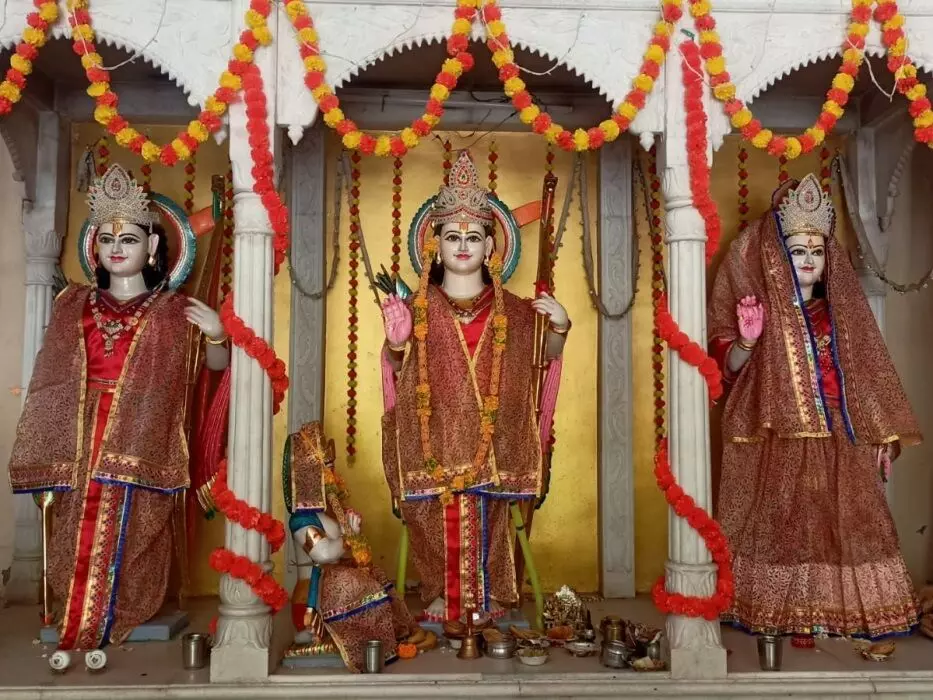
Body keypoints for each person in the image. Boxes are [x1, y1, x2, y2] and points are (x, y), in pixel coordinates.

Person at [7, 164, 228, 669]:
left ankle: (123, 610)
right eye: (107, 238)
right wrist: (50, 438)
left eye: (129, 238)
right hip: (80, 435)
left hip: (144, 435)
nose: (117, 247)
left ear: (153, 247)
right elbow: (52, 373)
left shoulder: (173, 310)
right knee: (72, 529)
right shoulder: (73, 303)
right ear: (95, 247)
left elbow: (211, 371)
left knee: (139, 532)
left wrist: (217, 334)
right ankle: (76, 613)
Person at [709, 173, 921, 641]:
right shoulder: (763, 311)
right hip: (780, 438)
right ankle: (781, 611)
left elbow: (867, 375)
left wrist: (882, 436)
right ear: (778, 256)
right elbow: (730, 371)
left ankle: (838, 612)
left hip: (841, 436)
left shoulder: (840, 313)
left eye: (817, 251)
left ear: (828, 262)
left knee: (843, 525)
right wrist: (747, 340)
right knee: (784, 524)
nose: (808, 259)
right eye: (797, 251)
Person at [380, 150, 568, 622]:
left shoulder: (518, 313)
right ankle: (443, 594)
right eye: (451, 236)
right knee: (430, 508)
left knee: (492, 507)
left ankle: (490, 596)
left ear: (490, 248)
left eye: (473, 237)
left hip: (496, 446)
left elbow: (540, 362)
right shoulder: (417, 308)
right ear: (435, 246)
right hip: (432, 442)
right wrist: (398, 343)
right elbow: (398, 372)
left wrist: (560, 328)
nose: (462, 246)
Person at [285, 422, 413, 671]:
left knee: (374, 575)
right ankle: (350, 638)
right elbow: (323, 553)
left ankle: (376, 638)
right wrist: (348, 537)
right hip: (318, 587)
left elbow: (348, 545)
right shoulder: (301, 520)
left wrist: (353, 534)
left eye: (331, 468)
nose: (331, 474)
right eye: (325, 469)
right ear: (309, 477)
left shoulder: (327, 511)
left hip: (337, 575)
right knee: (354, 584)